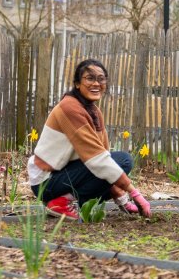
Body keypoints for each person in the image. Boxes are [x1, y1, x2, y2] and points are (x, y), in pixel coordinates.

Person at [27, 59, 151, 219]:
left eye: (101, 79)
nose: (96, 83)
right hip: (46, 182)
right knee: (123, 161)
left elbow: (103, 158)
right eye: (90, 78)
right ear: (77, 83)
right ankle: (61, 202)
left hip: (65, 174)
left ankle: (66, 200)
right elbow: (96, 159)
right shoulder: (69, 108)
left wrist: (122, 199)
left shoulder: (94, 112)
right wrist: (135, 193)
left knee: (116, 163)